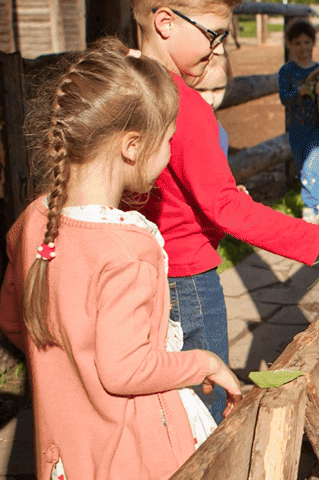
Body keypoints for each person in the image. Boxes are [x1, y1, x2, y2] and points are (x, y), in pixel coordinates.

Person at [126, 0, 319, 422]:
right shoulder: (186, 106)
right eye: (213, 35)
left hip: (141, 273)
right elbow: (224, 208)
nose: (218, 49)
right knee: (207, 402)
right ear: (165, 22)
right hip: (189, 281)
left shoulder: (124, 84)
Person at [0, 37, 242, 480]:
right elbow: (126, 369)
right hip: (134, 455)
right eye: (168, 140)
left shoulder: (35, 221)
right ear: (132, 146)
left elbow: (15, 323)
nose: (169, 153)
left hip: (66, 456)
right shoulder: (128, 250)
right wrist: (206, 362)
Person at [279, 19, 319, 222]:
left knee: (310, 167)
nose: (303, 48)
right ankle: (315, 199)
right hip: (296, 127)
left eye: (307, 42)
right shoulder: (286, 71)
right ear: (290, 45)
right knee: (304, 168)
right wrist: (298, 92)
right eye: (298, 43)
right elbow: (284, 99)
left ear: (313, 43)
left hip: (317, 127)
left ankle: (310, 208)